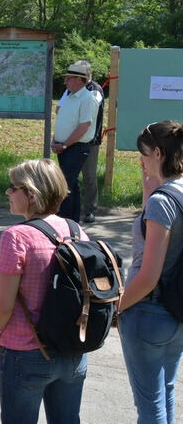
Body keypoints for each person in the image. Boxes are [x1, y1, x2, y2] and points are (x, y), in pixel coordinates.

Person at [0, 158, 89, 424]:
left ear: (31, 194)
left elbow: (3, 305)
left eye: (13, 187)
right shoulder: (77, 231)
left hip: (26, 351)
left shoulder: (16, 236)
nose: (8, 192)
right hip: (73, 349)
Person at [117, 121, 183, 423]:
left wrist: (117, 308)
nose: (140, 160)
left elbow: (148, 274)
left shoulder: (162, 203)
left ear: (157, 152)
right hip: (177, 310)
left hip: (149, 312)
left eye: (143, 153)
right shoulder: (173, 194)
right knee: (165, 393)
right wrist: (148, 191)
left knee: (149, 407)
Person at [57, 60, 104, 224]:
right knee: (71, 181)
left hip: (85, 142)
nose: (65, 81)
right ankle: (72, 217)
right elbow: (59, 109)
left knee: (87, 177)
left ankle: (87, 211)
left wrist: (64, 143)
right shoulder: (70, 93)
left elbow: (86, 123)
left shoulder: (93, 93)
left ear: (80, 78)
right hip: (68, 144)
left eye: (69, 78)